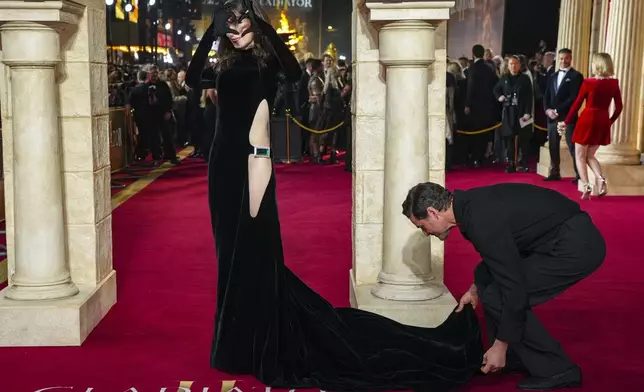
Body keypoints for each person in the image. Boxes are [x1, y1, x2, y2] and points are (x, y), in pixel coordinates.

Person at [185, 1, 483, 391]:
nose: (237, 34)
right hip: (221, 170)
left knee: (253, 252)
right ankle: (233, 343)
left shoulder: (266, 64)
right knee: (229, 255)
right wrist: (212, 30)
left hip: (252, 166)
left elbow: (292, 71)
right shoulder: (221, 65)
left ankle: (252, 342)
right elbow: (192, 79)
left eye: (244, 28)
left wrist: (261, 25)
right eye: (232, 29)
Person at [402, 182, 606, 390]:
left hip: (576, 246)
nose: (426, 233)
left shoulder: (479, 220)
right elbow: (498, 258)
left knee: (498, 296)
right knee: (491, 288)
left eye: (422, 226)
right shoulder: (469, 207)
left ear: (433, 212)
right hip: (555, 238)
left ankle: (558, 369)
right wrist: (475, 288)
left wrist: (501, 344)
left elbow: (513, 287)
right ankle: (516, 356)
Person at [557, 52, 623, 199]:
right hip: (602, 119)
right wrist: (609, 121)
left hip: (588, 118)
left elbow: (577, 104)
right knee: (590, 155)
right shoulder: (614, 83)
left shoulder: (589, 82)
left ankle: (586, 186)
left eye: (593, 62)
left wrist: (566, 122)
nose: (592, 65)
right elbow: (619, 107)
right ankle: (600, 178)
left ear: (598, 65)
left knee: (580, 156)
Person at [543, 48, 584, 183]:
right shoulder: (553, 76)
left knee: (572, 146)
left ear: (570, 59)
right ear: (558, 59)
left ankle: (579, 174)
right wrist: (548, 109)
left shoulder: (576, 76)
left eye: (566, 58)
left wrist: (557, 110)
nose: (563, 61)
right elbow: (547, 95)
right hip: (552, 117)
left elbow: (574, 98)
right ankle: (555, 171)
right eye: (561, 58)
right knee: (553, 145)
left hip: (568, 116)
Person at [493, 55, 533, 173]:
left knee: (523, 138)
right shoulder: (504, 78)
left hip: (522, 112)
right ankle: (511, 163)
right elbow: (496, 89)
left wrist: (527, 112)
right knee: (509, 138)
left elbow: (529, 97)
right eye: (511, 64)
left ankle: (523, 162)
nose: (513, 66)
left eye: (515, 64)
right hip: (509, 111)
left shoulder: (525, 79)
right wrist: (499, 97)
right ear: (508, 65)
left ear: (519, 65)